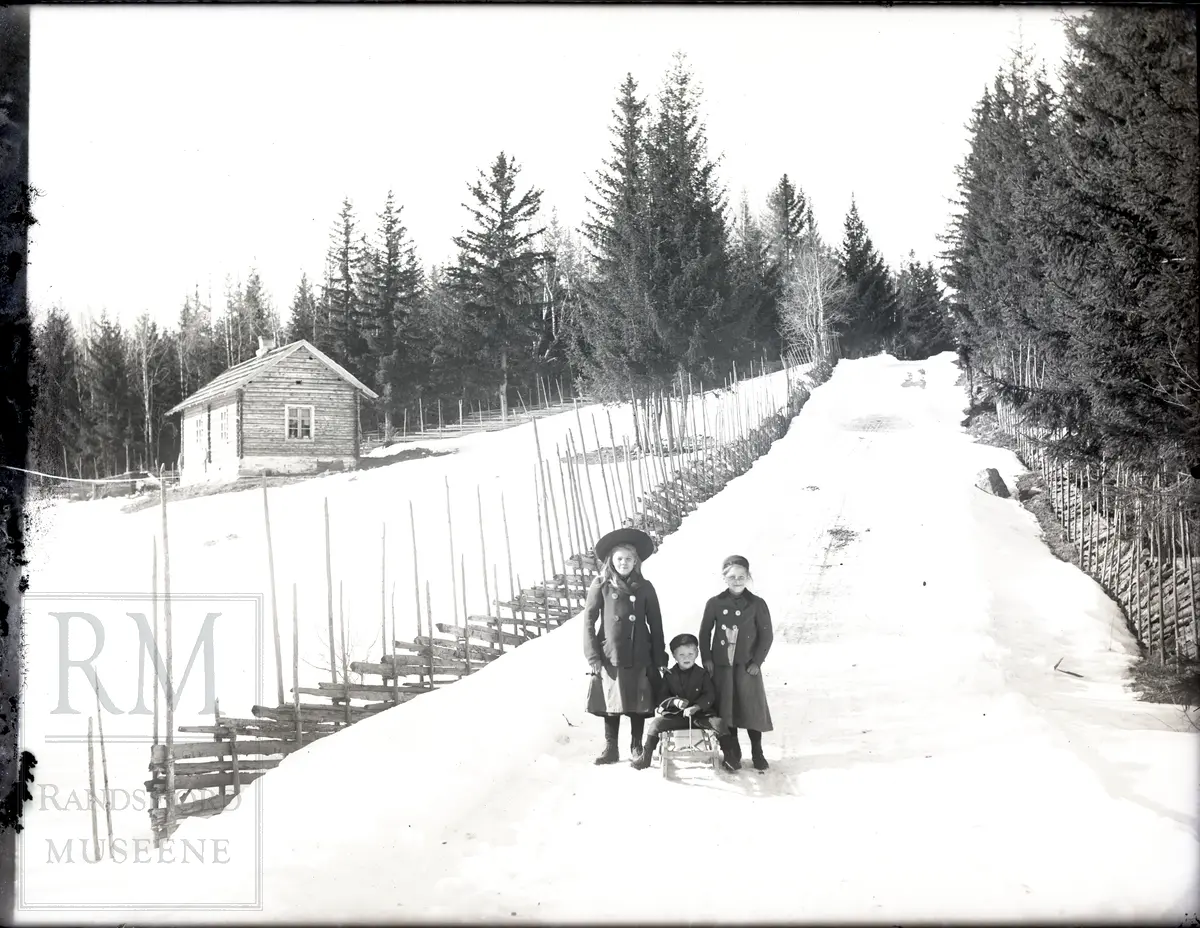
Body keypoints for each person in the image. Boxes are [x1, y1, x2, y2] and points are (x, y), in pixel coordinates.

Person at [583, 527, 667, 765]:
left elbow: (656, 623)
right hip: (611, 654)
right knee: (613, 701)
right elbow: (589, 621)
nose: (624, 563)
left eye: (629, 559)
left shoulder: (645, 587)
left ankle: (636, 745)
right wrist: (593, 657)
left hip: (640, 653)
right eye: (619, 559)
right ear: (611, 560)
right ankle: (611, 748)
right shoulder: (601, 584)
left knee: (637, 701)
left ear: (636, 561)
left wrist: (659, 656)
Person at [699, 554, 774, 771]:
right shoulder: (714, 603)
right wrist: (707, 659)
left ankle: (757, 752)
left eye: (742, 576)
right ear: (725, 578)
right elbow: (704, 633)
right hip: (722, 668)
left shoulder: (757, 604)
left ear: (748, 577)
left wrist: (757, 662)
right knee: (727, 711)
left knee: (751, 709)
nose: (737, 580)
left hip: (746, 667)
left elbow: (766, 636)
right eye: (732, 577)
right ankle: (733, 753)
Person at [630, 633, 728, 770]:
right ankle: (646, 757)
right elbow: (661, 698)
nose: (686, 658)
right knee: (656, 724)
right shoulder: (669, 676)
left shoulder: (702, 674)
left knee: (719, 723)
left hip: (700, 717)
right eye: (681, 655)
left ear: (697, 653)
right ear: (674, 656)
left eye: (690, 653)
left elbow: (709, 695)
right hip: (677, 717)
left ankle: (730, 757)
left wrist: (697, 707)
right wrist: (674, 702)